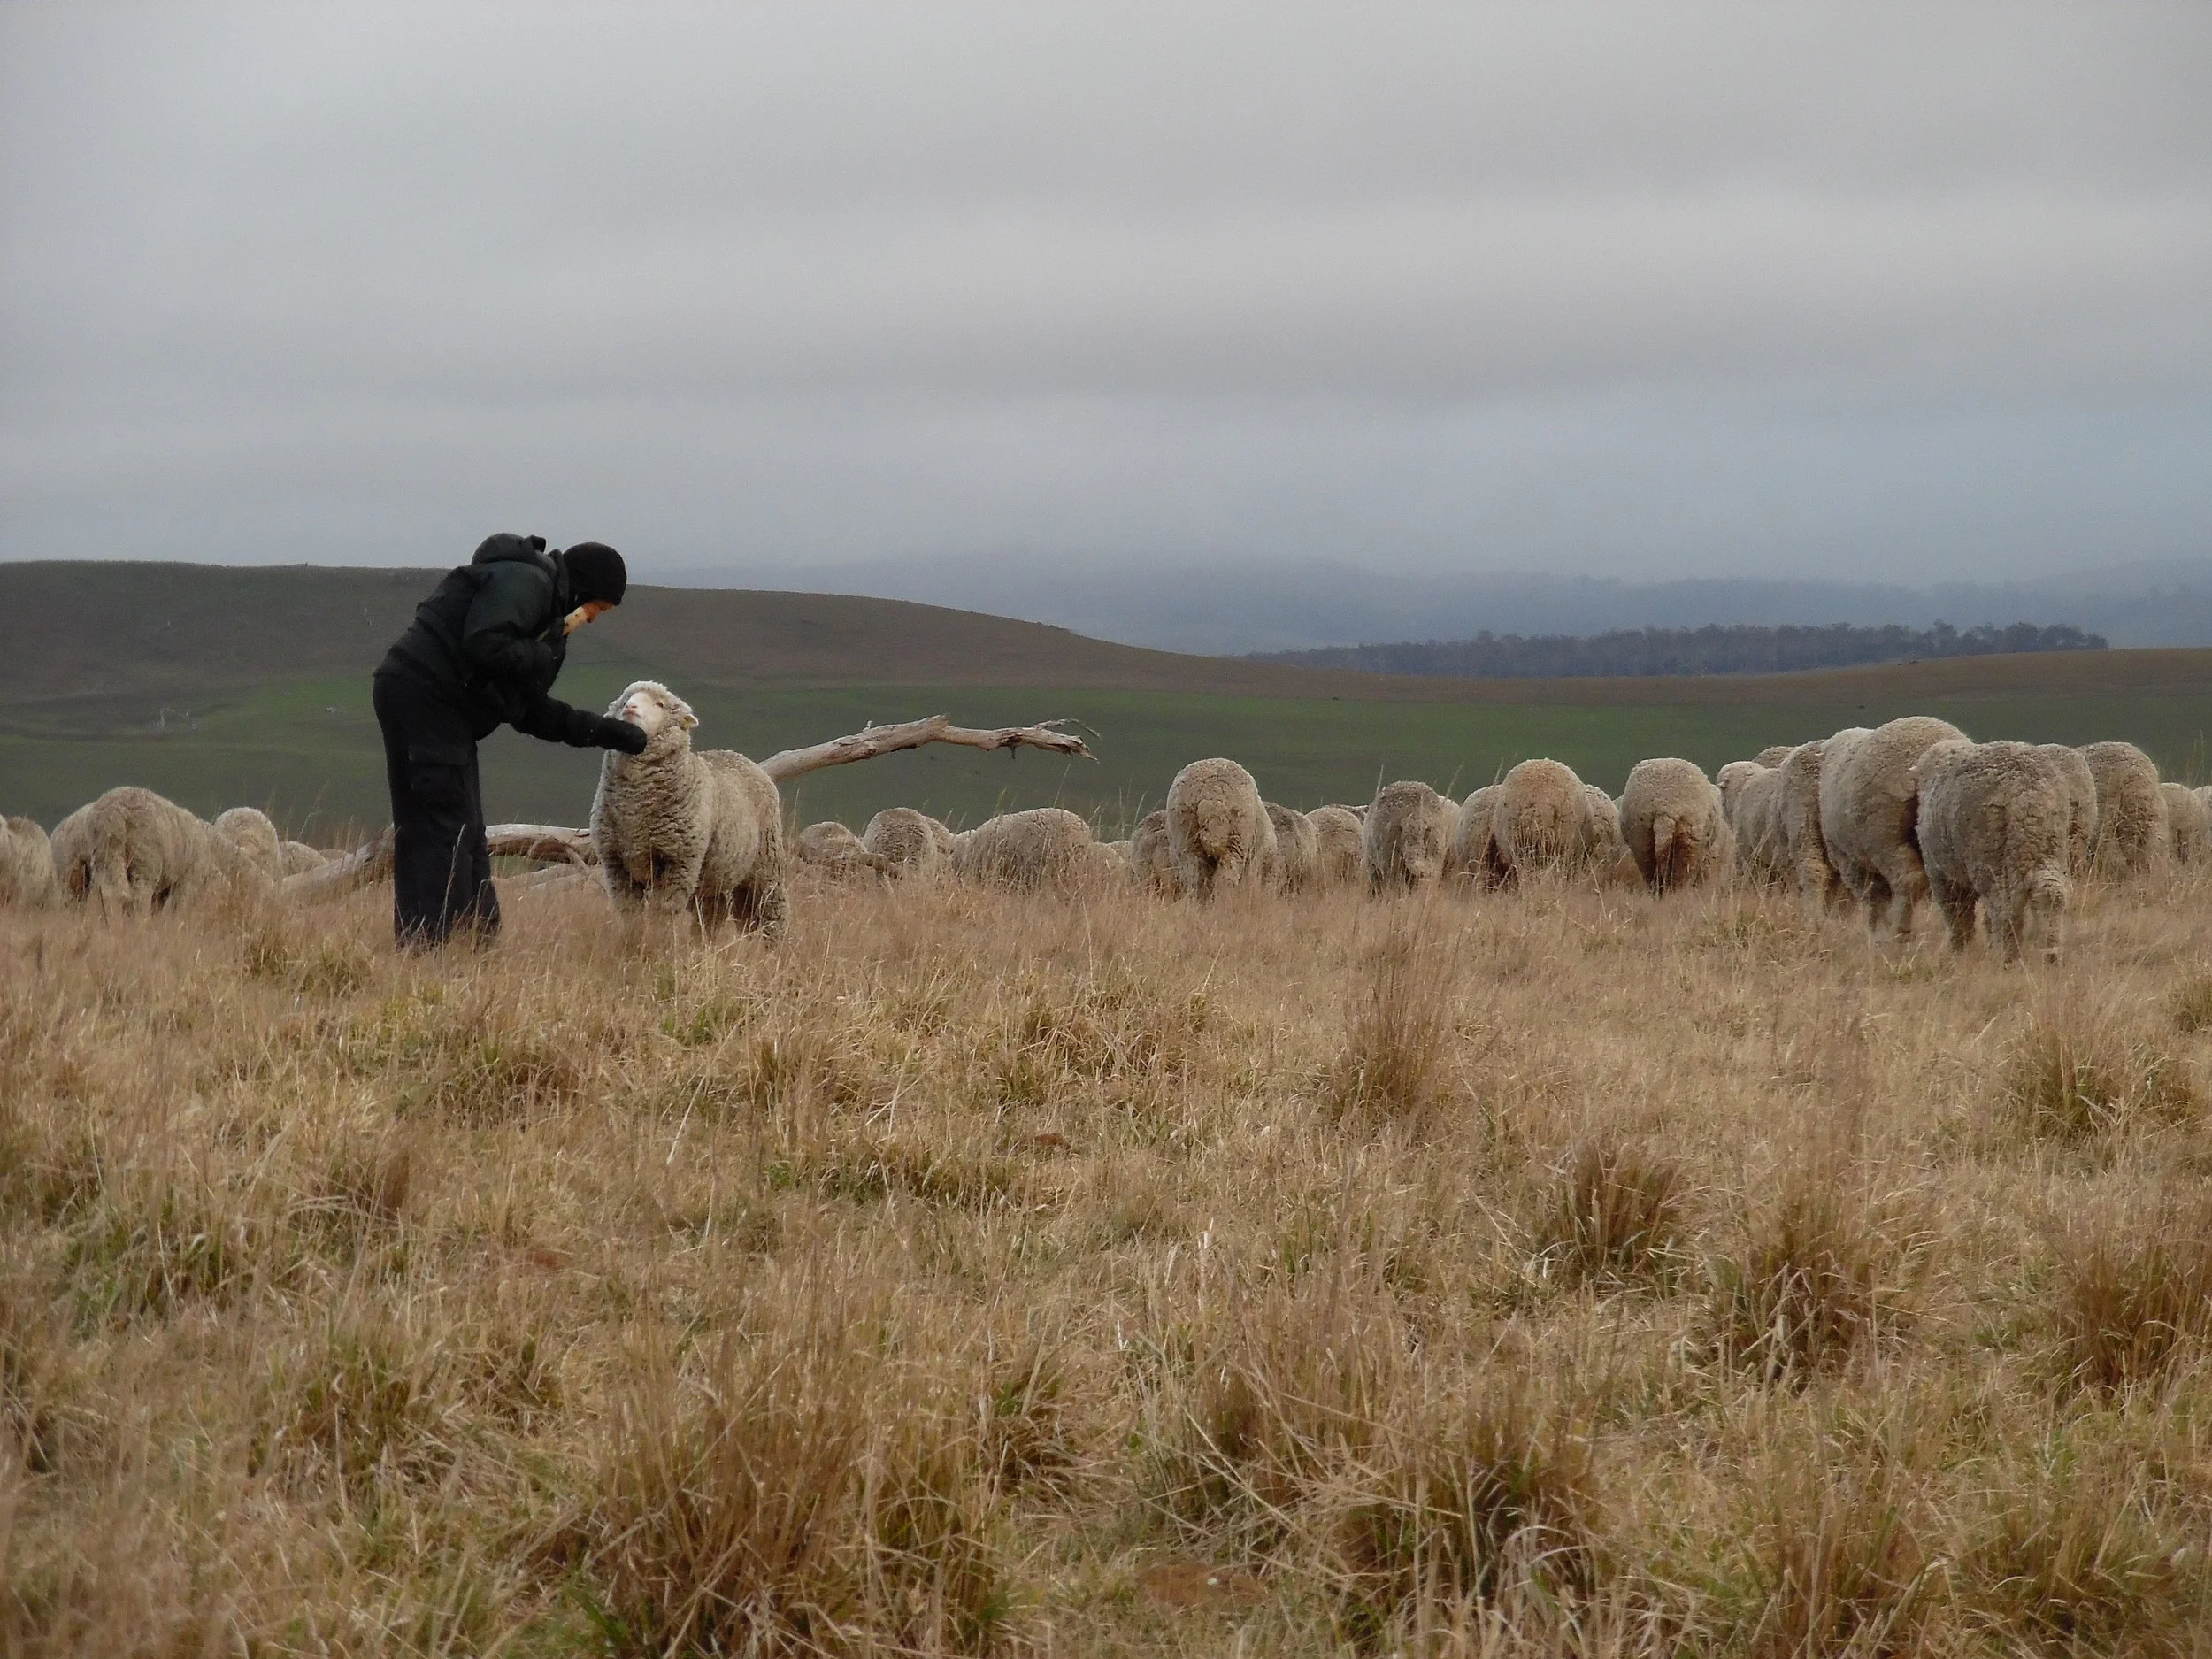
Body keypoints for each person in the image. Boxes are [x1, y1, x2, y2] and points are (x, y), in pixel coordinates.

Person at [372, 533, 648, 948]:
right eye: (596, 607)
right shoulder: (527, 583)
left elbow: (526, 708)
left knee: (461, 827)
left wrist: (604, 732)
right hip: (426, 696)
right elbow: (484, 643)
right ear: (583, 590)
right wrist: (547, 647)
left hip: (432, 702)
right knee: (442, 827)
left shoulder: (539, 614)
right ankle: (430, 952)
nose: (591, 618)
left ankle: (475, 942)